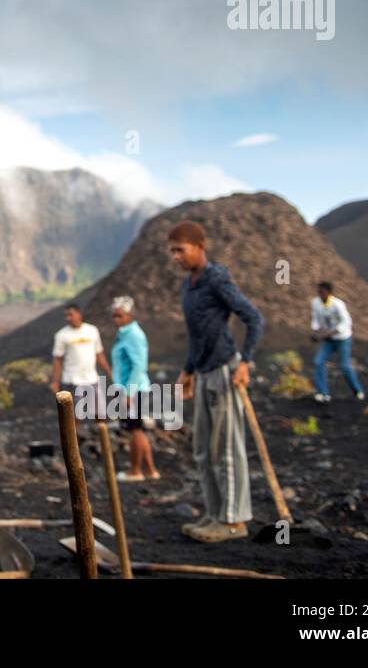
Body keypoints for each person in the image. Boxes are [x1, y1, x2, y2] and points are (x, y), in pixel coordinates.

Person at [168, 220, 265, 543]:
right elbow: (198, 334)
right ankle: (214, 514)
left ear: (199, 247)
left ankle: (233, 521)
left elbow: (253, 318)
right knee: (202, 450)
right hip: (204, 371)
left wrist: (246, 363)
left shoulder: (216, 279)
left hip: (224, 370)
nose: (176, 257)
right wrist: (188, 370)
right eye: (172, 252)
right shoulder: (189, 285)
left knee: (224, 449)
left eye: (180, 250)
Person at [108, 296, 157, 481]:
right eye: (113, 316)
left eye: (119, 316)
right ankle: (151, 470)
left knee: (135, 429)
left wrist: (128, 392)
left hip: (134, 390)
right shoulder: (125, 334)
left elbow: (138, 365)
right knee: (139, 429)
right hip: (134, 389)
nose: (116, 320)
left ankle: (135, 470)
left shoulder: (133, 335)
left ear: (129, 315)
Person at [51, 303, 112, 417]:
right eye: (66, 316)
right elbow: (57, 360)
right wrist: (55, 381)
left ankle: (101, 434)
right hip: (73, 381)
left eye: (70, 315)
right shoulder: (61, 335)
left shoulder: (92, 331)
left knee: (100, 414)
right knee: (76, 416)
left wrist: (111, 374)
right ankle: (74, 435)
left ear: (79, 314)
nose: (68, 318)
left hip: (92, 379)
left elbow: (99, 354)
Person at [310, 281, 364, 403]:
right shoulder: (315, 303)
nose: (319, 294)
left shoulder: (338, 305)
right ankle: (323, 393)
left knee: (345, 366)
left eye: (322, 292)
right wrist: (315, 331)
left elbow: (346, 322)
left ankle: (357, 390)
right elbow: (316, 320)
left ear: (329, 292)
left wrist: (328, 334)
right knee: (318, 362)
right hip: (328, 340)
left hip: (342, 339)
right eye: (318, 292)